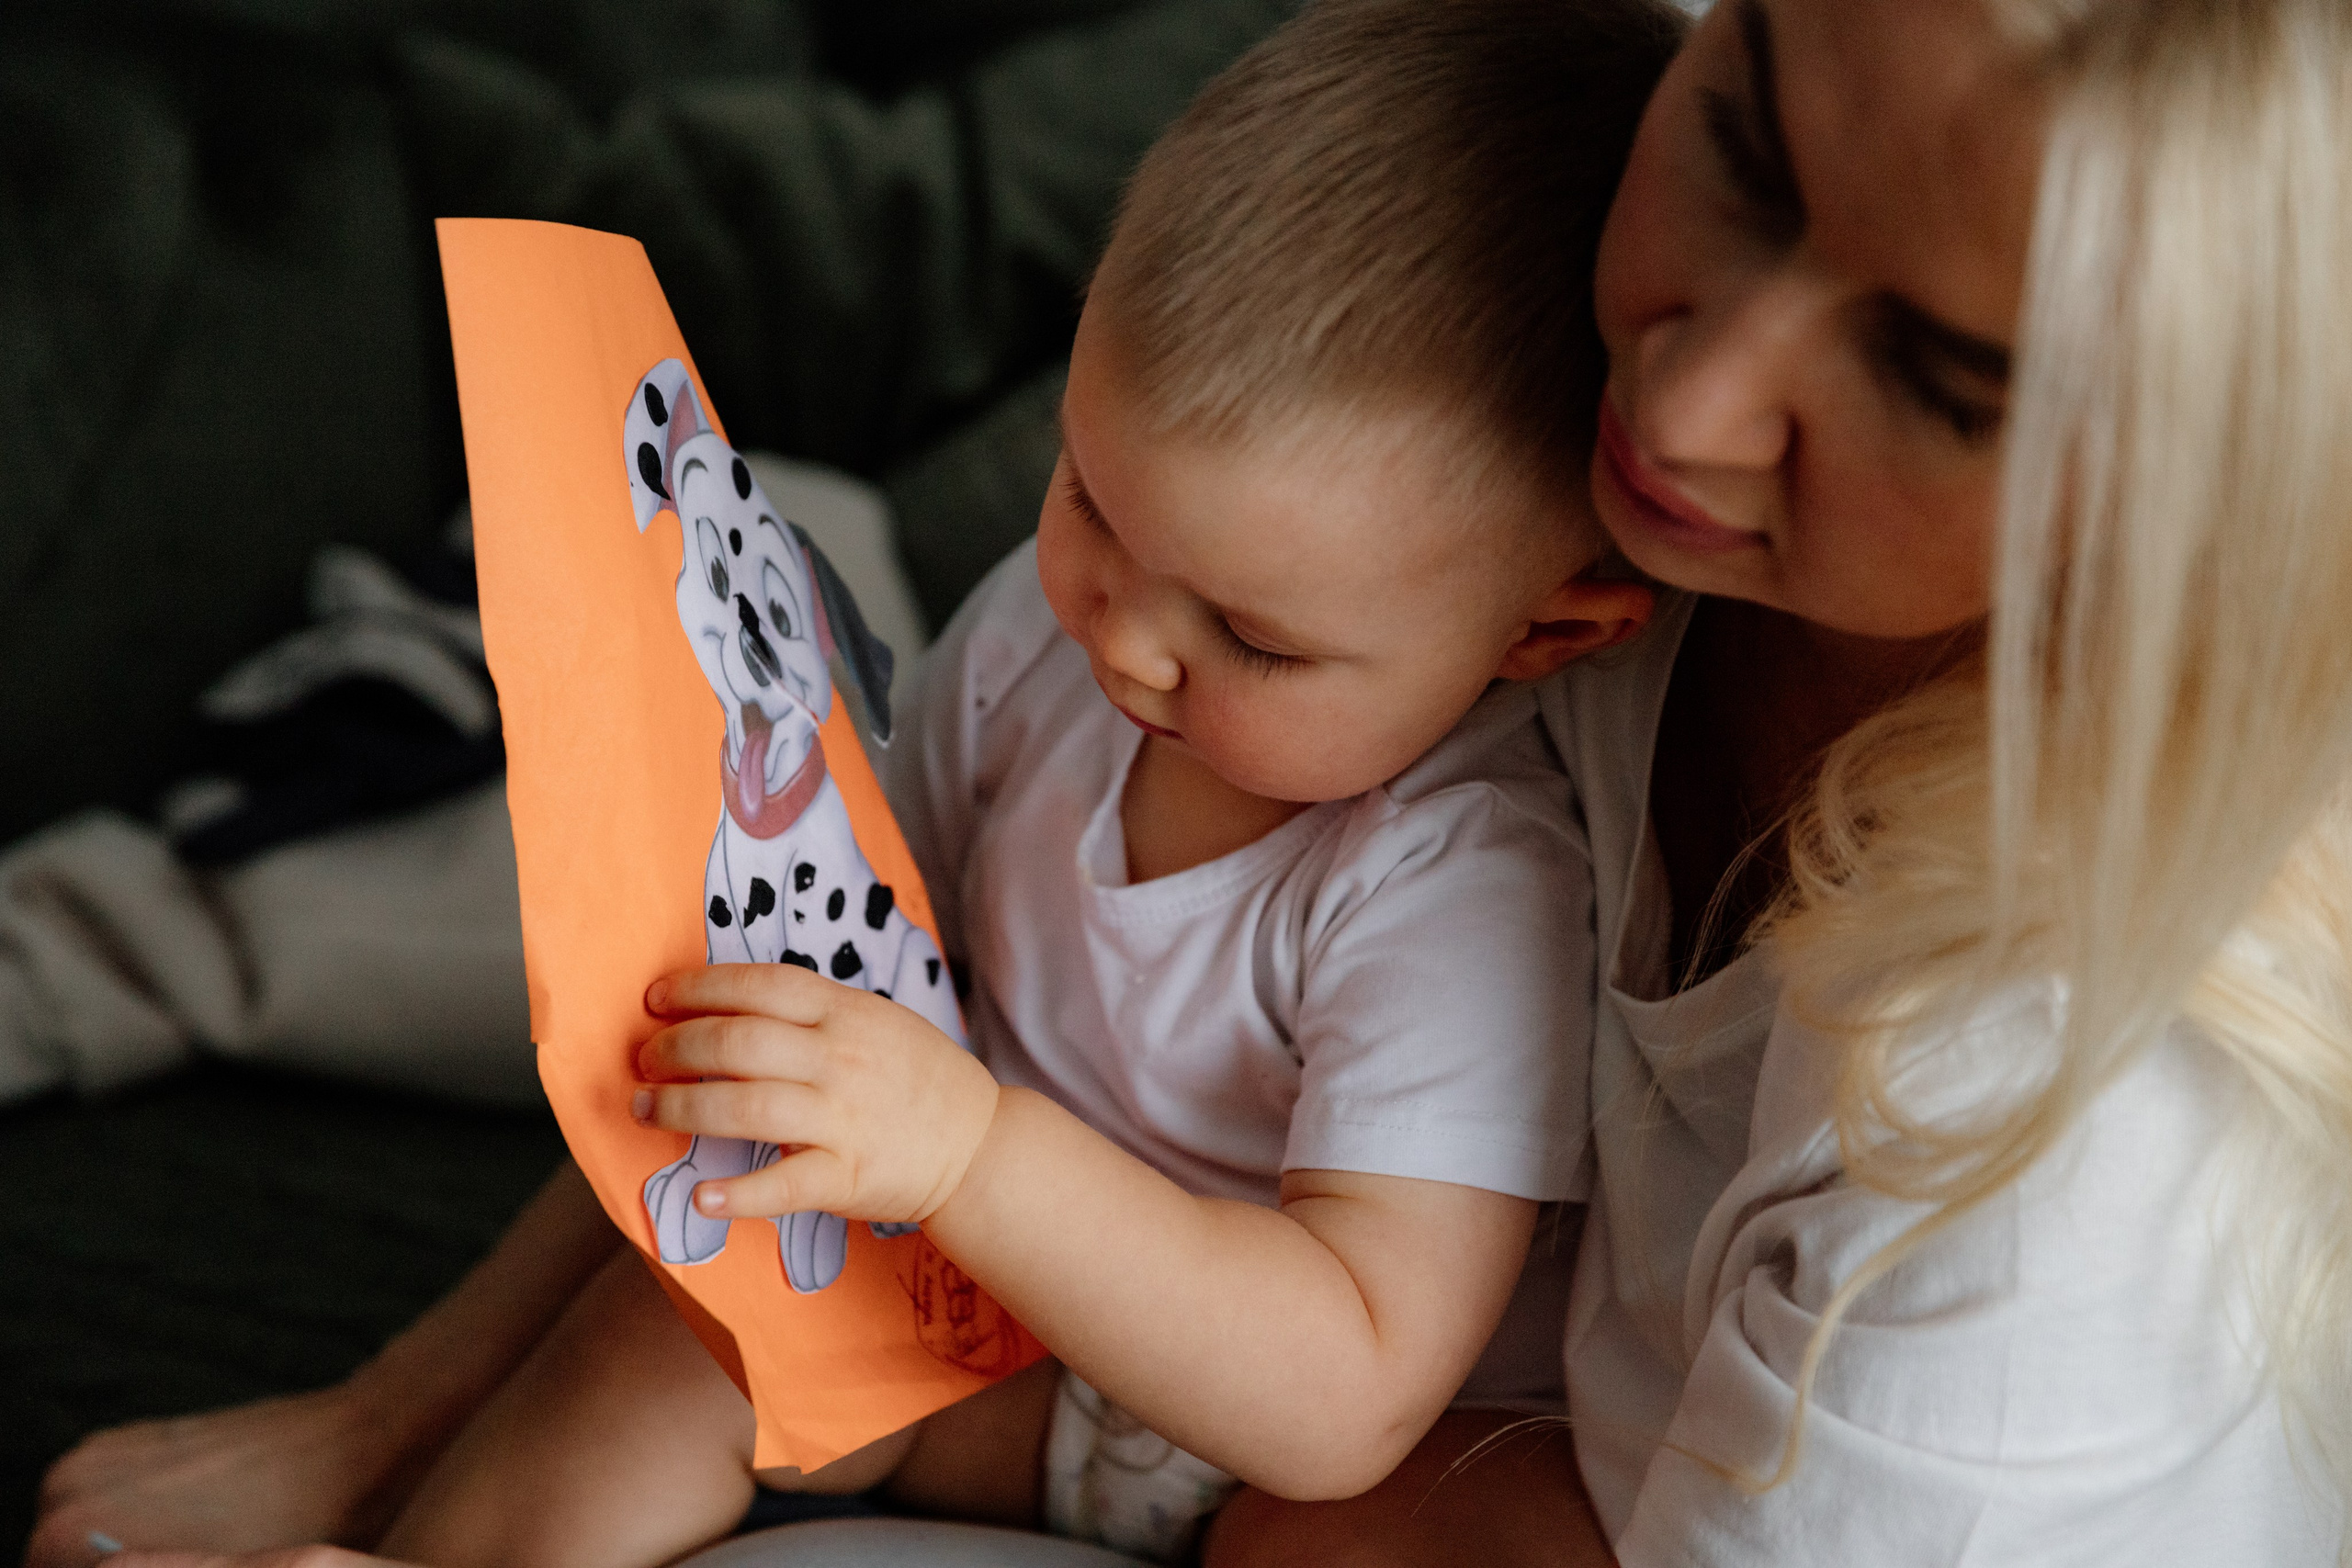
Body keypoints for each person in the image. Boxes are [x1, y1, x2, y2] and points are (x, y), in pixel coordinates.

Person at [29, 1, 1675, 1565]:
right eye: (1090, 494)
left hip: (1241, 1443)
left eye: (1252, 637)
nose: (1124, 637)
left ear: (1545, 632)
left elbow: (1346, 1394)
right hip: (973, 1316)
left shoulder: (1467, 878)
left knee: (733, 1337)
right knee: (706, 1159)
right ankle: (393, 1441)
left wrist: (966, 1154)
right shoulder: (1057, 633)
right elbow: (811, 983)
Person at [1204, 0, 2352, 1562]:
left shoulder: (2045, 1162)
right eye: (1744, 151)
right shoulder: (1554, 296)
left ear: (2211, 503)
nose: (1683, 409)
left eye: (1941, 382)